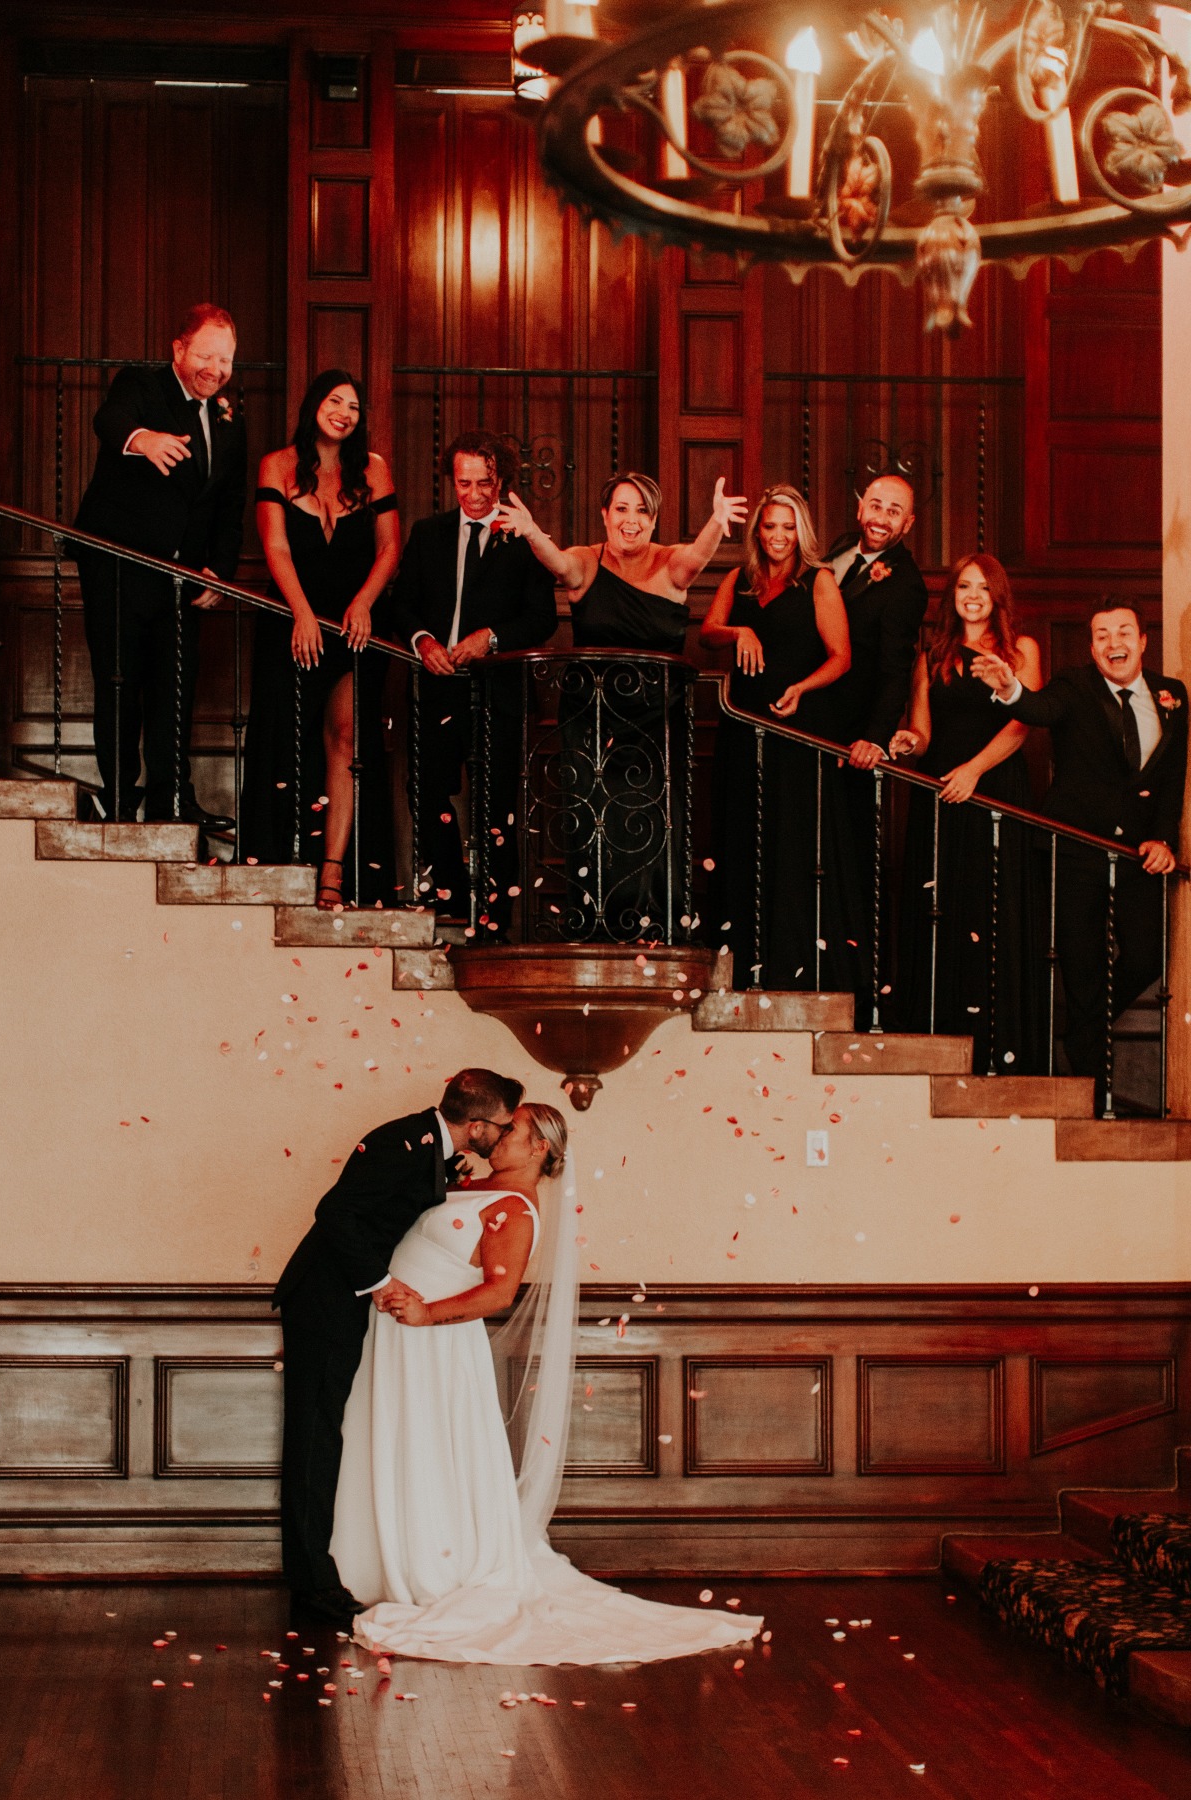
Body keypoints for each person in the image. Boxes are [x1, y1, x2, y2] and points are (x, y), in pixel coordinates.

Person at [331, 1102, 764, 1666]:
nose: (497, 1133)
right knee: (384, 1437)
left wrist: (425, 1312)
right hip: (391, 1333)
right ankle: (374, 1558)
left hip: (433, 1342)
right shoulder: (462, 1182)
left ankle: (433, 1560)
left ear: (539, 1148)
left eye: (512, 1129)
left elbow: (497, 1294)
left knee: (428, 1445)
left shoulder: (514, 1209)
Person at [272, 1067, 524, 1625]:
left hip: (340, 1298)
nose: (504, 1136)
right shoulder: (404, 1141)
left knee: (323, 1436)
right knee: (315, 1439)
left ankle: (311, 1574)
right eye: (502, 1126)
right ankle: (312, 1583)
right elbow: (333, 1213)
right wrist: (381, 1284)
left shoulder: (428, 1144)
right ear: (478, 1124)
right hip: (325, 1297)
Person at [500, 471, 747, 940]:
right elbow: (560, 566)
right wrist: (533, 533)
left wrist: (716, 521)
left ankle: (655, 928)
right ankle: (594, 925)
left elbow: (696, 559)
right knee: (593, 819)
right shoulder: (586, 561)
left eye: (641, 511)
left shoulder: (671, 562)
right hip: (591, 720)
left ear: (653, 520)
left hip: (657, 722)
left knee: (651, 822)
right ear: (605, 514)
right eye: (621, 509)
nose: (630, 520)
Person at [974, 603, 1188, 1109]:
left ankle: (1084, 1031)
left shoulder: (1172, 695)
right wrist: (1009, 688)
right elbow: (1036, 709)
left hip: (1137, 854)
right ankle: (1093, 1091)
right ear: (1092, 648)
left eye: (1123, 632)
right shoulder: (1074, 687)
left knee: (1148, 953)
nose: (1113, 643)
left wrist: (1165, 840)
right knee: (1084, 964)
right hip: (1074, 850)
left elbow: (1171, 779)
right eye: (1102, 635)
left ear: (1142, 641)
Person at [74, 302, 247, 828]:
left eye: (226, 360)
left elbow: (228, 504)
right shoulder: (141, 386)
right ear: (178, 349)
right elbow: (109, 420)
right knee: (121, 682)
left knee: (176, 687)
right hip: (118, 566)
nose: (216, 370)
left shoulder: (229, 418)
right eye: (205, 355)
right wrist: (143, 440)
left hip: (183, 581)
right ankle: (121, 798)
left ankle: (175, 798)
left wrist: (218, 568)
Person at [241, 370, 400, 907]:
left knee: (347, 736)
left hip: (356, 628)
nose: (344, 413)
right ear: (314, 405)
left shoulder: (374, 470)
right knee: (285, 738)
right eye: (335, 401)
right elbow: (276, 548)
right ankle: (281, 863)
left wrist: (363, 603)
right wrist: (302, 614)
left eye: (354, 406)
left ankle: (334, 869)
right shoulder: (277, 464)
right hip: (293, 621)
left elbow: (389, 550)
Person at [388, 431, 557, 929]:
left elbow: (542, 618)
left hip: (498, 693)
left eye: (484, 483)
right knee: (426, 792)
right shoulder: (428, 532)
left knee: (498, 806)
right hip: (436, 686)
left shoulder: (523, 538)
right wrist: (422, 641)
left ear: (500, 479)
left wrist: (492, 638)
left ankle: (495, 917)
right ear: (452, 481)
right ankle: (452, 895)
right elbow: (402, 602)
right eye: (464, 483)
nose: (475, 493)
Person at [701, 483, 863, 991]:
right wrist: (739, 633)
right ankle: (742, 960)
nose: (778, 536)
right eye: (770, 526)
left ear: (801, 532)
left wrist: (801, 687)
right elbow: (708, 630)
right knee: (744, 838)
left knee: (794, 843)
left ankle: (794, 962)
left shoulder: (819, 581)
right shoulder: (739, 579)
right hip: (743, 729)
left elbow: (842, 657)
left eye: (787, 527)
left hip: (797, 729)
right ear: (757, 530)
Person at [889, 554, 1046, 1071]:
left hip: (995, 788)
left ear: (998, 595)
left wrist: (974, 770)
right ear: (951, 595)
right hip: (941, 793)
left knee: (994, 909)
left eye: (982, 587)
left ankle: (999, 1045)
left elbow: (1023, 723)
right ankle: (937, 1035)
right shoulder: (931, 652)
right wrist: (909, 742)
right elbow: (924, 729)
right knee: (942, 908)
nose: (972, 594)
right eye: (963, 586)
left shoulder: (1021, 649)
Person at [826, 475, 929, 1015]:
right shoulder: (839, 549)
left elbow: (896, 671)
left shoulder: (907, 583)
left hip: (851, 737)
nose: (881, 516)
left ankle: (854, 988)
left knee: (849, 857)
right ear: (859, 504)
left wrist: (874, 738)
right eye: (875, 504)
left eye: (895, 511)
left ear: (908, 524)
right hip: (810, 720)